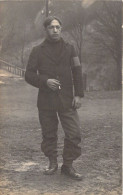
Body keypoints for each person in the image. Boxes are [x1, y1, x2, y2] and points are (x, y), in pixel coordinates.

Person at [25, 16, 84, 181]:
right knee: (49, 134)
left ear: (61, 28)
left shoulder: (70, 48)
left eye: (58, 27)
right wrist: (45, 81)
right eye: (51, 27)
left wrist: (78, 94)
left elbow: (77, 72)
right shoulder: (37, 50)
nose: (55, 30)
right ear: (46, 30)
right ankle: (52, 163)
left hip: (67, 99)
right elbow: (28, 75)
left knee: (74, 133)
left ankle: (68, 165)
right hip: (46, 100)